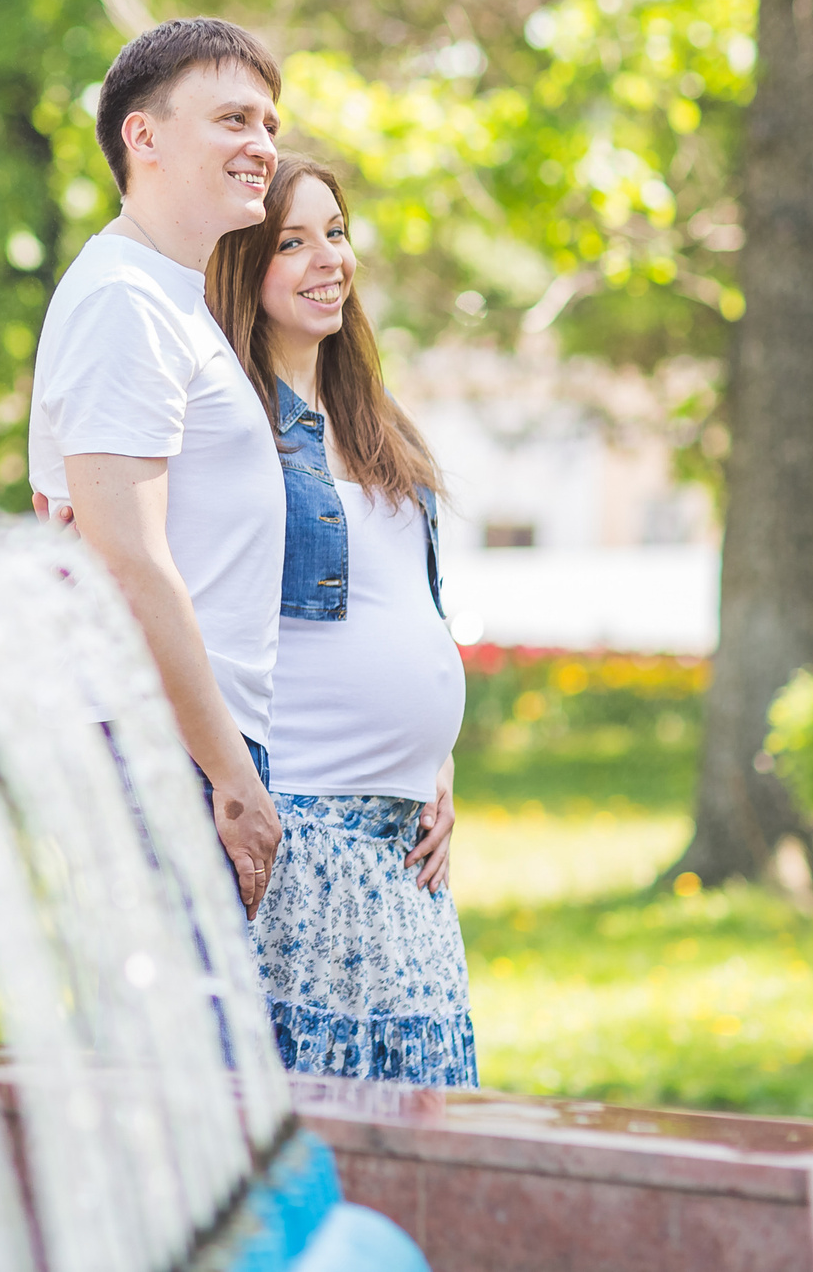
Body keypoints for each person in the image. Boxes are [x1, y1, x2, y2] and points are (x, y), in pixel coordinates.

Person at [203, 153, 477, 1086]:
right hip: (305, 838)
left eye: (336, 232)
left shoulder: (377, 422)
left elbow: (408, 606)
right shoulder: (232, 425)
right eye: (292, 242)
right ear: (244, 266)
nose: (329, 259)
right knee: (319, 1112)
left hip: (402, 852)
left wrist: (434, 758)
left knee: (421, 1107)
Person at [26, 17, 286, 914]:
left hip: (192, 748)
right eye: (233, 119)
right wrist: (232, 776)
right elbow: (129, 558)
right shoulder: (123, 300)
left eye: (268, 125)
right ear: (143, 135)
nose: (262, 145)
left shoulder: (171, 300)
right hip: (164, 754)